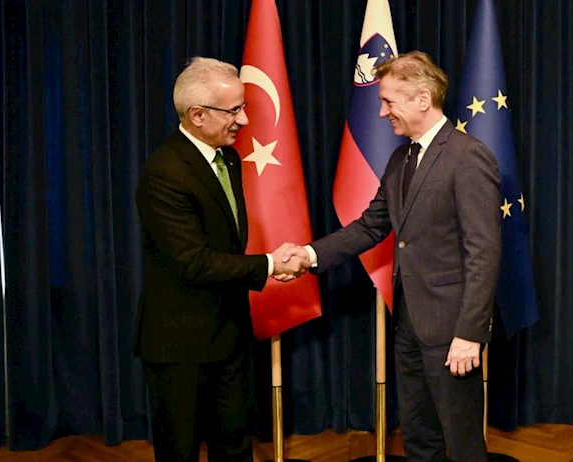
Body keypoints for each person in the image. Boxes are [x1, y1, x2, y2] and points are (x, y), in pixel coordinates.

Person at [284, 51, 501, 461]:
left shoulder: (468, 156)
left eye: (388, 101)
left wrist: (470, 333)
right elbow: (370, 226)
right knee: (418, 436)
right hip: (409, 323)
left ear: (423, 99)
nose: (382, 112)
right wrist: (308, 255)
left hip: (452, 329)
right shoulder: (401, 158)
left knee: (462, 442)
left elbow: (484, 252)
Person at [134, 57, 309, 462]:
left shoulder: (227, 158)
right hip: (180, 343)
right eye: (233, 110)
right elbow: (192, 263)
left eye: (243, 107)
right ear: (197, 114)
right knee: (179, 452)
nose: (243, 120)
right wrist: (270, 265)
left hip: (229, 334)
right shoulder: (165, 171)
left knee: (235, 447)